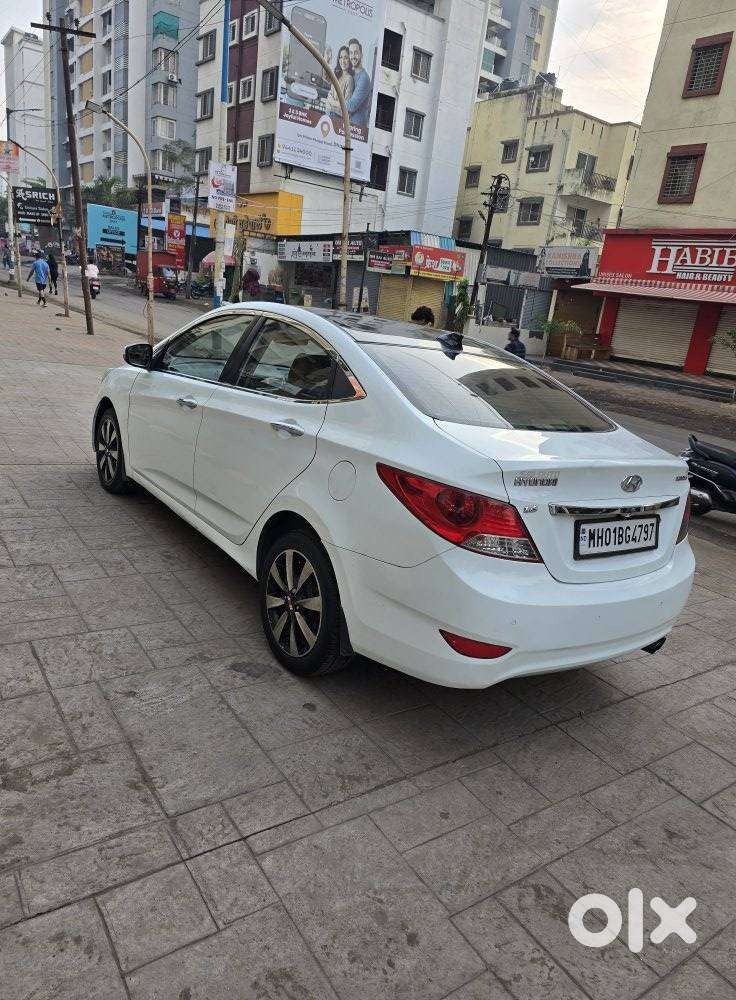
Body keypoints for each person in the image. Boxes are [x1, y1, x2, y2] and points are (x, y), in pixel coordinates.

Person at [345, 39, 372, 127]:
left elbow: (352, 106)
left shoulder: (364, 78)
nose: (353, 56)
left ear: (361, 55)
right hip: (347, 126)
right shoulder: (351, 74)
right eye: (351, 53)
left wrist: (334, 101)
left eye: (356, 53)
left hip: (357, 130)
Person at [326, 46, 354, 114]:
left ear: (350, 60)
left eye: (346, 58)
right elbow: (329, 94)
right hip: (328, 112)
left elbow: (346, 105)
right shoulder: (337, 76)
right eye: (341, 57)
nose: (343, 61)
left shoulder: (349, 79)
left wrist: (331, 102)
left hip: (338, 116)